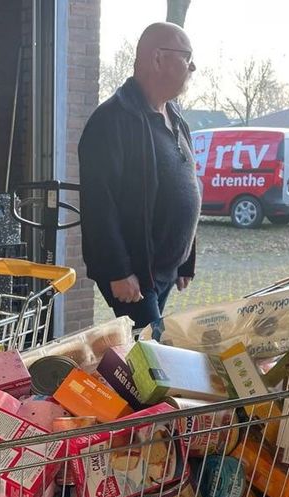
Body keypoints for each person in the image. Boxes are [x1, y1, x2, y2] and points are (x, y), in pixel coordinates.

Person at [78, 22, 200, 329]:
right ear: (158, 59)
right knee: (150, 354)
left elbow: (187, 183)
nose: (193, 66)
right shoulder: (111, 121)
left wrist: (186, 260)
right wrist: (117, 270)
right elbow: (98, 204)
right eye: (187, 56)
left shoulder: (175, 116)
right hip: (133, 273)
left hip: (165, 269)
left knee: (144, 349)